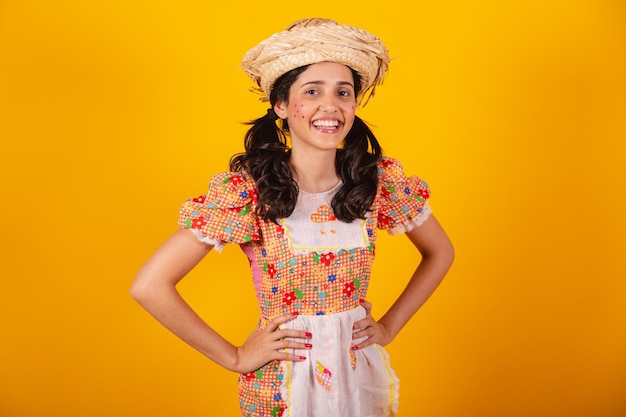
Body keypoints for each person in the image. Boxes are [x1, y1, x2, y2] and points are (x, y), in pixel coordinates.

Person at [130, 17, 454, 417]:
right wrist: (234, 357)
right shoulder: (249, 193)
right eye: (312, 91)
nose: (330, 106)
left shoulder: (376, 183)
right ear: (281, 105)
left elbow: (441, 252)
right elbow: (149, 285)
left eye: (343, 92)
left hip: (357, 379)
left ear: (354, 104)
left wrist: (389, 326)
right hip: (283, 383)